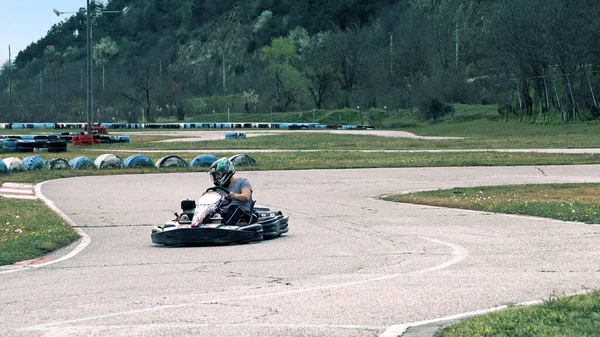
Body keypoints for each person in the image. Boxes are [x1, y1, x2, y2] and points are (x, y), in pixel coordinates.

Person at [208, 157, 254, 226]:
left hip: (242, 213)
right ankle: (196, 226)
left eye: (218, 174)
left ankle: (225, 229)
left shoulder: (242, 181)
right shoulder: (218, 189)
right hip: (223, 214)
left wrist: (234, 196)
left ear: (227, 172)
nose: (216, 177)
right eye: (215, 175)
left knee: (233, 208)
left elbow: (246, 196)